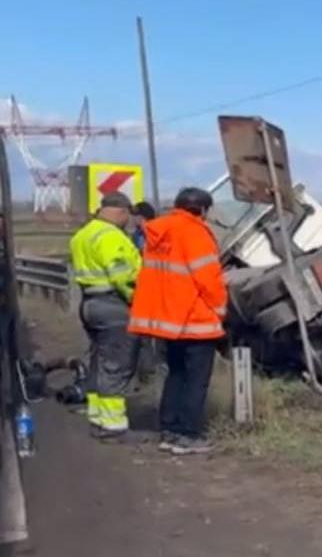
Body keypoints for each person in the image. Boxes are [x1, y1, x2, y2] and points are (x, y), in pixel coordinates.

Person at [129, 187, 227, 455]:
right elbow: (209, 279)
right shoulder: (195, 232)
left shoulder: (159, 231)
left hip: (169, 321)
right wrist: (220, 309)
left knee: (176, 376)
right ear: (203, 210)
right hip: (195, 321)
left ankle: (169, 430)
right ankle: (188, 434)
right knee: (196, 381)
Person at [68, 192, 143, 438]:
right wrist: (138, 299)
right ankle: (114, 426)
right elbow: (123, 275)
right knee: (117, 364)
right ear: (121, 212)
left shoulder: (83, 235)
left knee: (98, 362)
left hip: (89, 303)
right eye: (127, 217)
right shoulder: (111, 237)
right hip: (113, 305)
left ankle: (98, 415)